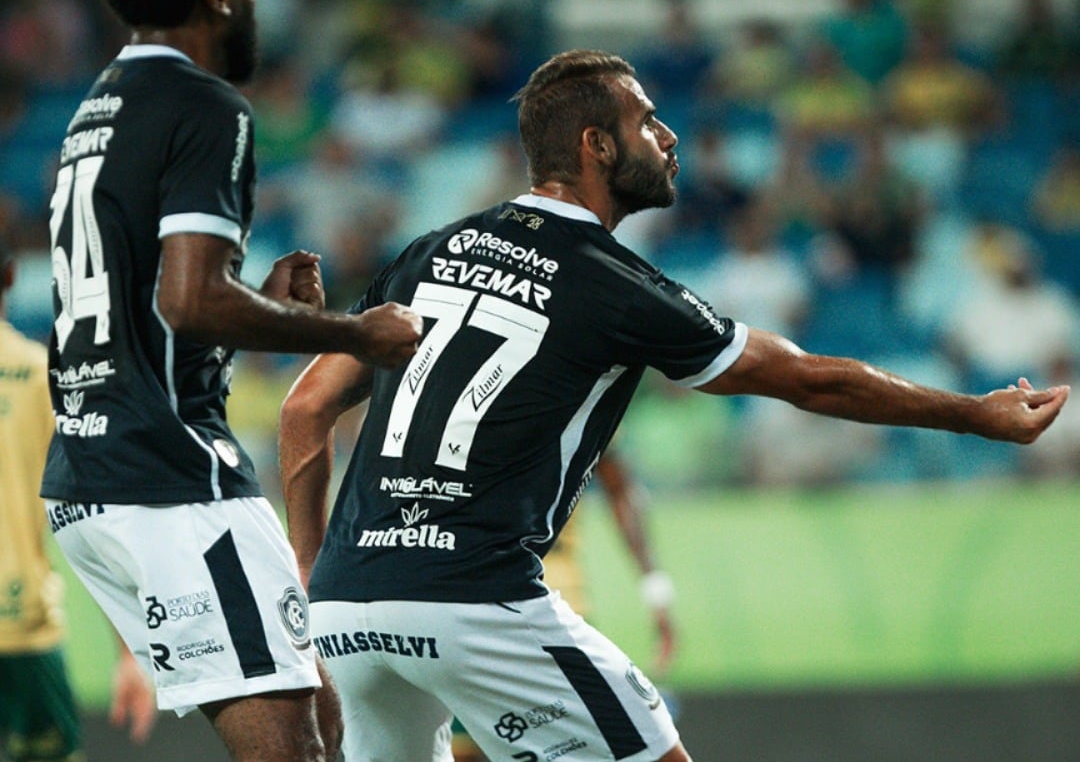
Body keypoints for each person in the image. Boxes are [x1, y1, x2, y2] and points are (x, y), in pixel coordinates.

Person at [278, 49, 1069, 762]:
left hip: (351, 609)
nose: (669, 138)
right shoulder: (612, 281)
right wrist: (974, 414)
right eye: (647, 121)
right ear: (596, 145)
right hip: (474, 602)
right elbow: (807, 380)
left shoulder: (427, 253)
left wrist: (316, 583)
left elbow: (303, 409)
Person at [39, 0, 422, 762]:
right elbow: (188, 302)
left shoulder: (95, 111)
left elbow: (151, 307)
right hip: (171, 479)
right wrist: (356, 335)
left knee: (324, 708)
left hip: (90, 470)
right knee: (291, 748)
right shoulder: (206, 105)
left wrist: (252, 300)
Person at [0, 235, 156, 762]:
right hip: (21, 625)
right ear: (11, 277)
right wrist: (128, 654)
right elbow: (89, 511)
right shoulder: (43, 377)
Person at [449, 448, 677, 762]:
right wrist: (656, 591)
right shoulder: (574, 401)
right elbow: (621, 487)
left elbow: (619, 485)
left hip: (480, 606)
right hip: (542, 611)